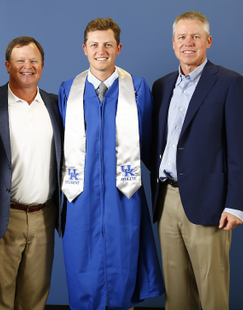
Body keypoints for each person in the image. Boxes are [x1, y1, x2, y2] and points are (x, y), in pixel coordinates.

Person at [151, 11, 243, 310]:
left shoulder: (230, 83)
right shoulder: (162, 86)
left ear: (208, 41)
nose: (188, 43)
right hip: (166, 199)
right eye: (182, 37)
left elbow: (242, 149)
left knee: (211, 289)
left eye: (195, 36)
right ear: (173, 44)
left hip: (210, 201)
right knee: (176, 291)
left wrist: (236, 204)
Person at [59, 17, 164, 310]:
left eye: (107, 44)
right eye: (94, 44)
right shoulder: (69, 91)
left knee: (123, 270)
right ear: (84, 48)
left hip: (124, 194)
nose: (100, 50)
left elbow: (150, 143)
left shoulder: (138, 89)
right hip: (80, 197)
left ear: (119, 48)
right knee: (82, 272)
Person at [0, 36, 62, 310]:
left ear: (43, 65)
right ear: (7, 65)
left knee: (34, 300)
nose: (28, 66)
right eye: (20, 61)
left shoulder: (55, 105)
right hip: (3, 215)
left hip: (44, 217)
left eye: (34, 60)